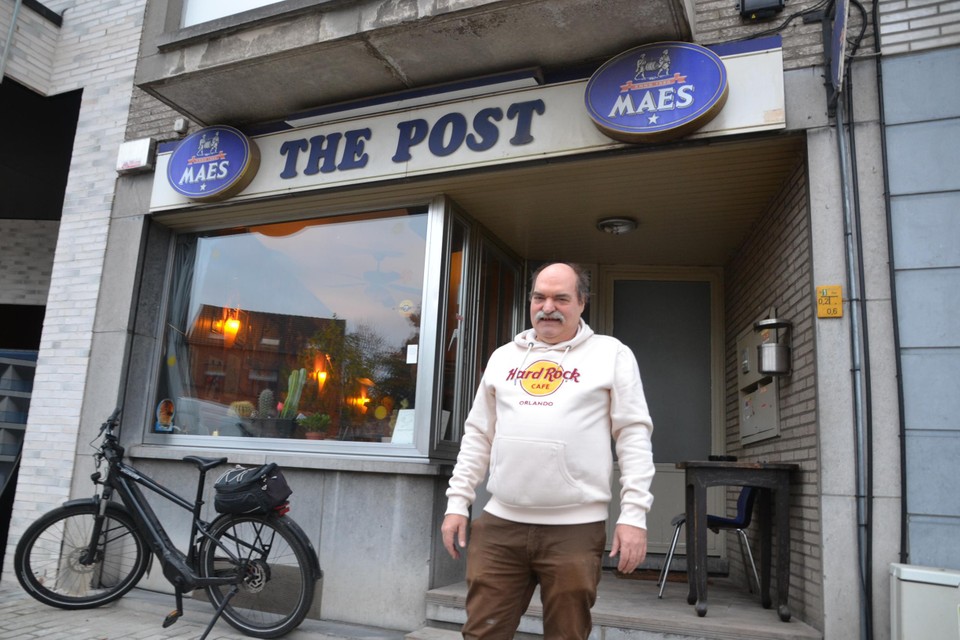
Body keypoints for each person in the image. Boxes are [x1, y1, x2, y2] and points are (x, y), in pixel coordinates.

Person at [441, 262, 655, 639]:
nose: (548, 307)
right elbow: (477, 435)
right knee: (481, 633)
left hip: (574, 529)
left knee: (567, 635)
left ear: (581, 303)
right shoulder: (504, 357)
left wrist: (633, 516)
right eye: (539, 297)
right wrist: (458, 502)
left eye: (561, 298)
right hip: (500, 526)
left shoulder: (611, 354)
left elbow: (633, 435)